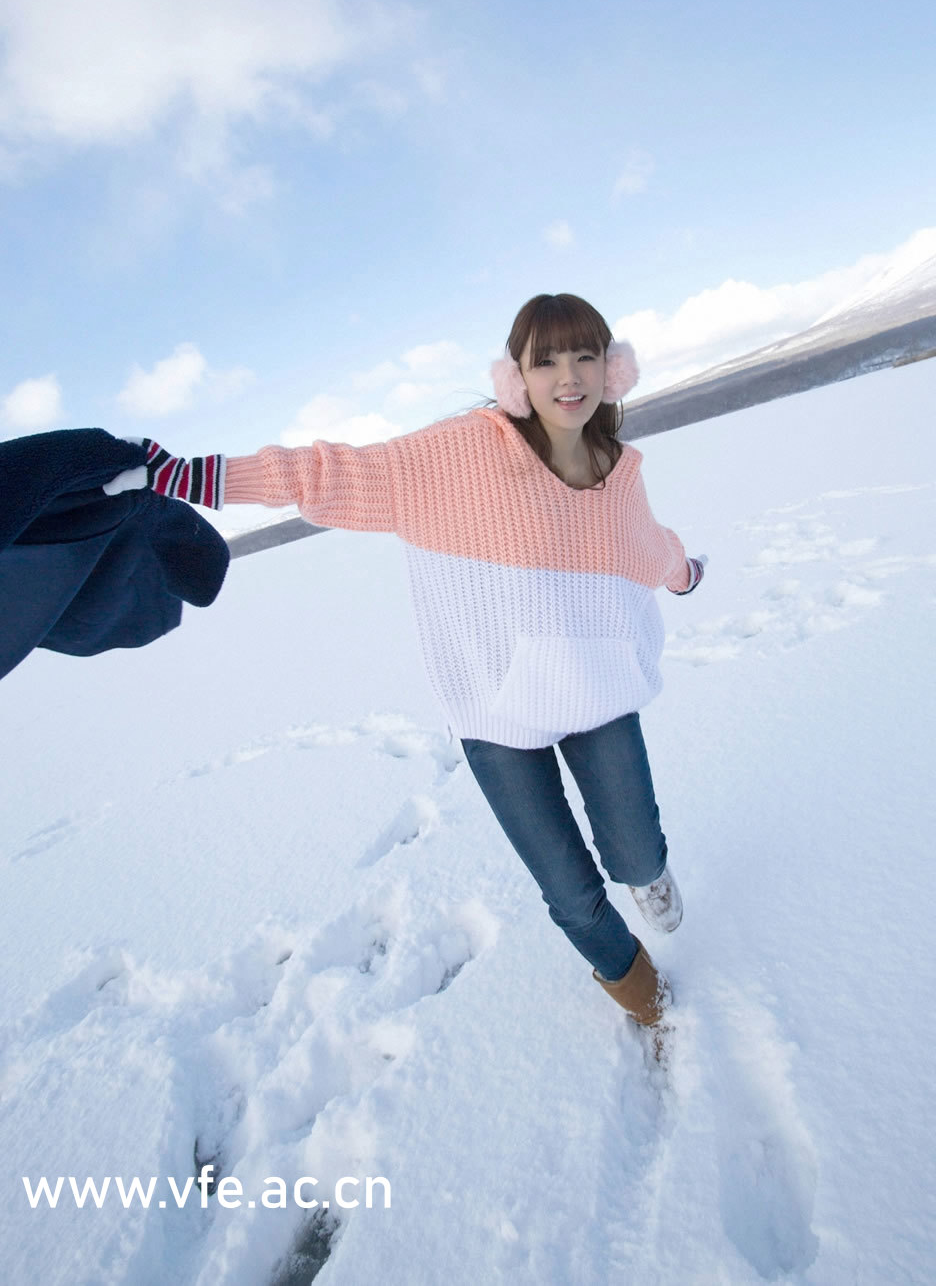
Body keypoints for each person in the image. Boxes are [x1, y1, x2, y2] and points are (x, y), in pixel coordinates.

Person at [107, 293, 705, 1035]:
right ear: (515, 377)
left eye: (585, 354)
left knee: (636, 849)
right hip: (497, 711)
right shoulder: (460, 456)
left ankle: (648, 877)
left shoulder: (618, 472)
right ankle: (643, 994)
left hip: (599, 692)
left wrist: (685, 574)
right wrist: (184, 476)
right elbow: (326, 474)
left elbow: (648, 547)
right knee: (568, 890)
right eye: (545, 359)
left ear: (612, 368)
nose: (568, 375)